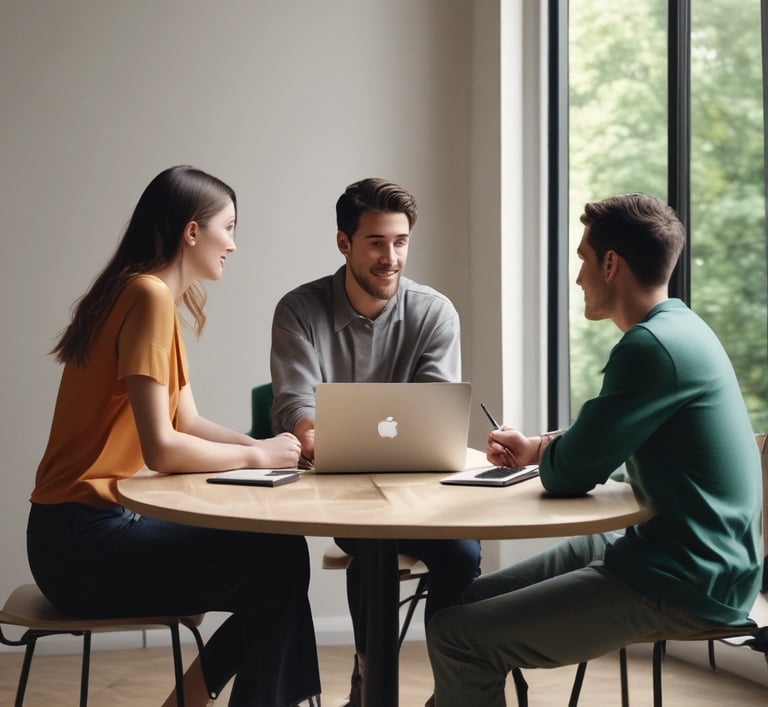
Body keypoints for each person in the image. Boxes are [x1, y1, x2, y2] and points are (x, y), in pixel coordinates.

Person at [426, 192, 763, 707]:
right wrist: (541, 446)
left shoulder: (650, 348)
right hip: (674, 549)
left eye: (583, 258)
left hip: (687, 577)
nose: (579, 276)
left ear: (611, 263)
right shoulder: (682, 328)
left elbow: (570, 476)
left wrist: (553, 455)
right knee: (471, 602)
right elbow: (603, 437)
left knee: (458, 636)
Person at [27, 166, 321, 707]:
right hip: (80, 545)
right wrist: (257, 458)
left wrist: (271, 452)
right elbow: (163, 450)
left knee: (278, 561)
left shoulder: (146, 295)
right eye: (228, 227)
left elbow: (187, 421)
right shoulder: (148, 298)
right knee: (279, 563)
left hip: (75, 533)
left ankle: (192, 699)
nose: (233, 243)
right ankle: (196, 698)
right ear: (192, 232)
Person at [270, 177, 481, 706]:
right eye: (376, 243)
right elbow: (294, 403)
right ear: (344, 243)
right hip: (343, 496)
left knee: (462, 553)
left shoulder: (434, 312)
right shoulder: (299, 309)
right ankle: (370, 682)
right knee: (371, 548)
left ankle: (451, 688)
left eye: (401, 242)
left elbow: (436, 412)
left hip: (422, 496)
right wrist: (314, 434)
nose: (392, 257)